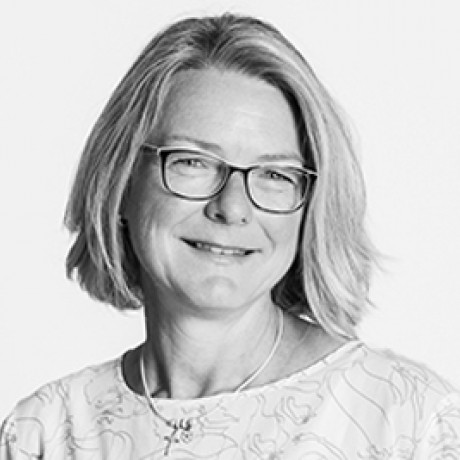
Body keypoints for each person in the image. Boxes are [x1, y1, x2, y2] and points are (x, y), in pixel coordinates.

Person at [1, 12, 459, 459]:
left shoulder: (409, 424)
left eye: (275, 175)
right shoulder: (44, 433)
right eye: (193, 162)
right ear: (119, 181)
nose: (232, 208)